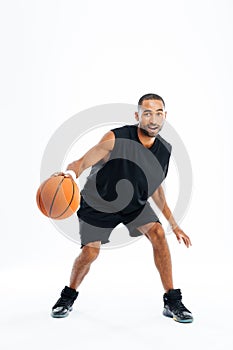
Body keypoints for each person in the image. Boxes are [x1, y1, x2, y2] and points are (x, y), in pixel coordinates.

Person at [51, 93, 193, 323]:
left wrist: (174, 225)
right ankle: (68, 296)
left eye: (158, 113)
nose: (153, 119)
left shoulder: (165, 150)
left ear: (165, 116)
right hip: (99, 202)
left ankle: (172, 301)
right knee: (90, 253)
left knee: (158, 233)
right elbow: (83, 161)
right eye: (147, 113)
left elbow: (156, 189)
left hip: (133, 205)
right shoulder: (116, 138)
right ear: (137, 116)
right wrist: (70, 173)